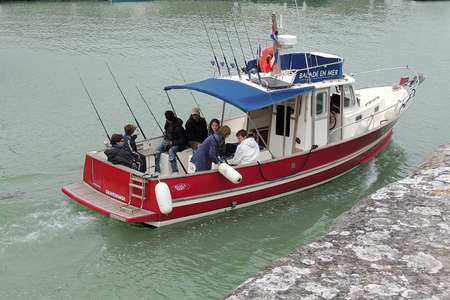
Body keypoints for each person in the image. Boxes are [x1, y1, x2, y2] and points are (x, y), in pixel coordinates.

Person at [154, 110, 187, 176]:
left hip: (177, 144)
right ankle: (157, 170)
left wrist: (172, 143)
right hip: (166, 141)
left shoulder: (179, 128)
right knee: (157, 150)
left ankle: (175, 171)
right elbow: (166, 131)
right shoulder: (167, 123)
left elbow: (183, 140)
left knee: (171, 151)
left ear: (169, 119)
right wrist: (165, 136)